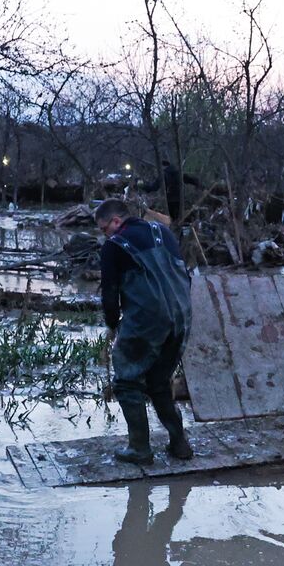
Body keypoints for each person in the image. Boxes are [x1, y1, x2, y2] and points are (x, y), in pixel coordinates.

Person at [97, 198, 194, 463]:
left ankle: (140, 448)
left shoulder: (113, 247)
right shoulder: (161, 231)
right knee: (159, 381)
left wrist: (113, 325)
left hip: (148, 320)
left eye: (104, 228)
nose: (104, 234)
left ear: (116, 222)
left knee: (127, 382)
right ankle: (180, 444)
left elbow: (109, 296)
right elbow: (183, 274)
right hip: (182, 317)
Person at [137, 160, 203, 223]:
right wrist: (201, 185)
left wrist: (141, 185)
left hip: (169, 201)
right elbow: (190, 179)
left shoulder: (164, 175)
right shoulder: (178, 173)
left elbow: (153, 188)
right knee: (179, 220)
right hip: (180, 200)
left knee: (169, 220)